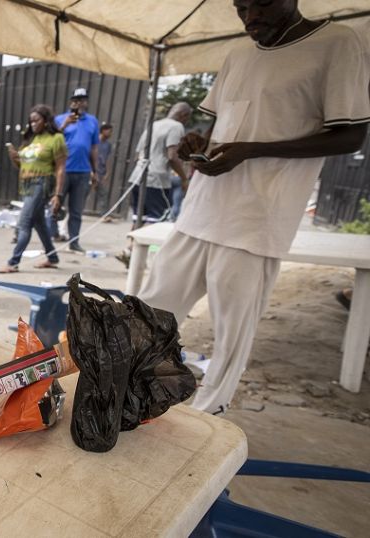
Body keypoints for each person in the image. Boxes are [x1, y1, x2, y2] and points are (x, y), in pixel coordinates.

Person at [141, 0, 369, 414]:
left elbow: (350, 135)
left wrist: (252, 151)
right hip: (202, 209)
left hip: (257, 218)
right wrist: (198, 142)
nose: (250, 17)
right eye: (241, 7)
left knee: (231, 330)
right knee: (150, 305)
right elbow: (217, 127)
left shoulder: (337, 42)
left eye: (260, 3)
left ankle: (210, 412)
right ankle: (132, 385)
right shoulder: (239, 53)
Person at [0, 105, 66, 272]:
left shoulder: (56, 138)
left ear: (46, 120)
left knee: (24, 223)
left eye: (37, 120)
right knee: (39, 224)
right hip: (27, 186)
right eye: (31, 121)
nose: (33, 124)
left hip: (41, 185)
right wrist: (15, 157)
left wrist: (58, 194)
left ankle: (13, 262)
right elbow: (22, 165)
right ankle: (52, 257)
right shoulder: (31, 140)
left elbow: (60, 168)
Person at [53, 87, 99, 251]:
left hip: (83, 171)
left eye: (82, 100)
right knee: (55, 205)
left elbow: (94, 147)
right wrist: (65, 125)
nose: (79, 103)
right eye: (76, 100)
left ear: (86, 102)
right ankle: (52, 237)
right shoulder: (60, 119)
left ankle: (74, 241)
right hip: (63, 170)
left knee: (77, 210)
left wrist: (95, 170)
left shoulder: (92, 121)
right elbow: (53, 139)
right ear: (71, 102)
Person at [130, 102, 191, 224]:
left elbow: (137, 155)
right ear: (183, 115)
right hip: (156, 181)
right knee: (154, 221)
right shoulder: (176, 127)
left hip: (137, 177)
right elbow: (172, 156)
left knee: (138, 219)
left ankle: (132, 243)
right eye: (187, 118)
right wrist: (184, 178)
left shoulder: (153, 125)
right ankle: (146, 243)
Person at [95, 122, 116, 221]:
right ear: (103, 131)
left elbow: (107, 159)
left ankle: (104, 215)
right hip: (91, 170)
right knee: (84, 192)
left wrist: (107, 172)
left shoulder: (108, 145)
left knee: (103, 193)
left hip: (101, 171)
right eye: (109, 131)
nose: (111, 134)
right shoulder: (94, 141)